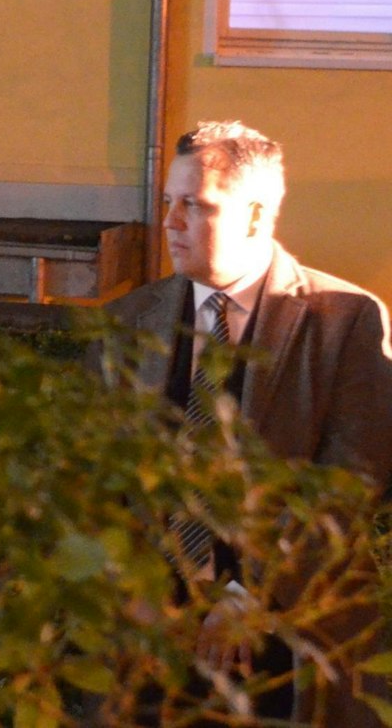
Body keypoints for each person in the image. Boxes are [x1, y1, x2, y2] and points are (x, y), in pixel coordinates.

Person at [108, 121, 392, 726]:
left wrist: (249, 595)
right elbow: (95, 472)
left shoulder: (344, 320)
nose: (171, 223)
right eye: (167, 203)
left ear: (257, 216)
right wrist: (135, 585)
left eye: (196, 205)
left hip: (287, 624)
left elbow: (350, 482)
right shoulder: (132, 318)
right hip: (148, 624)